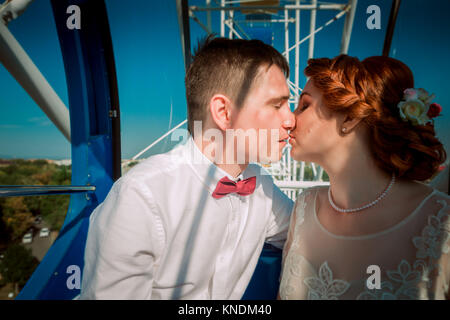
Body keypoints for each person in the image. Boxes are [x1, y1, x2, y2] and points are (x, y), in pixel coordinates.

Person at [80, 36, 295, 299]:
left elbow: (310, 234)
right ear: (224, 113)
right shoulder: (141, 196)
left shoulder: (263, 187)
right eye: (277, 105)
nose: (291, 119)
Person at [279, 54, 449, 300]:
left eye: (304, 105)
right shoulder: (304, 207)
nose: (289, 119)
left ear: (350, 117)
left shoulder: (441, 221)